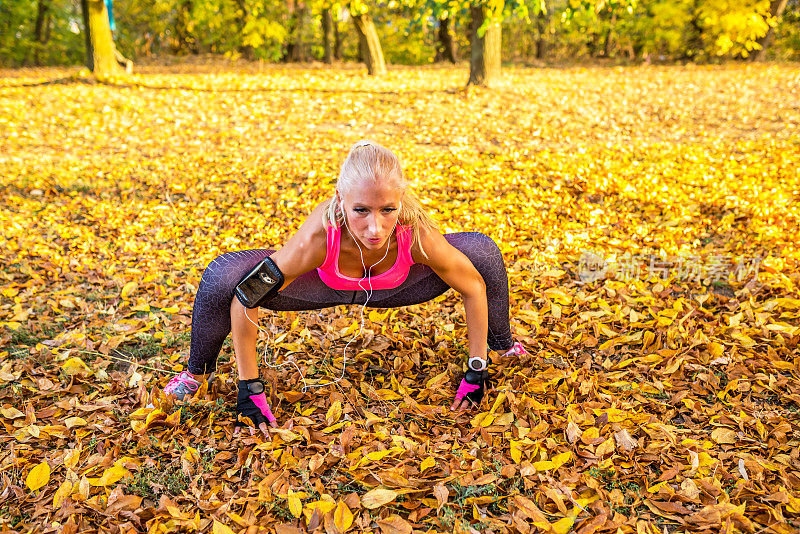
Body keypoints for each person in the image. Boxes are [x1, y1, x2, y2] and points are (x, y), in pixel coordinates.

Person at [163, 140, 527, 436]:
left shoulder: (416, 233)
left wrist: (476, 368)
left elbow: (474, 288)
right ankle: (195, 373)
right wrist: (249, 387)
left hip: (398, 289)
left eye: (388, 209)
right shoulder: (319, 236)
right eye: (360, 210)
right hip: (319, 288)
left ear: (401, 201)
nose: (374, 227)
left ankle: (503, 346)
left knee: (482, 251)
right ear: (340, 199)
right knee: (225, 275)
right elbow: (249, 294)